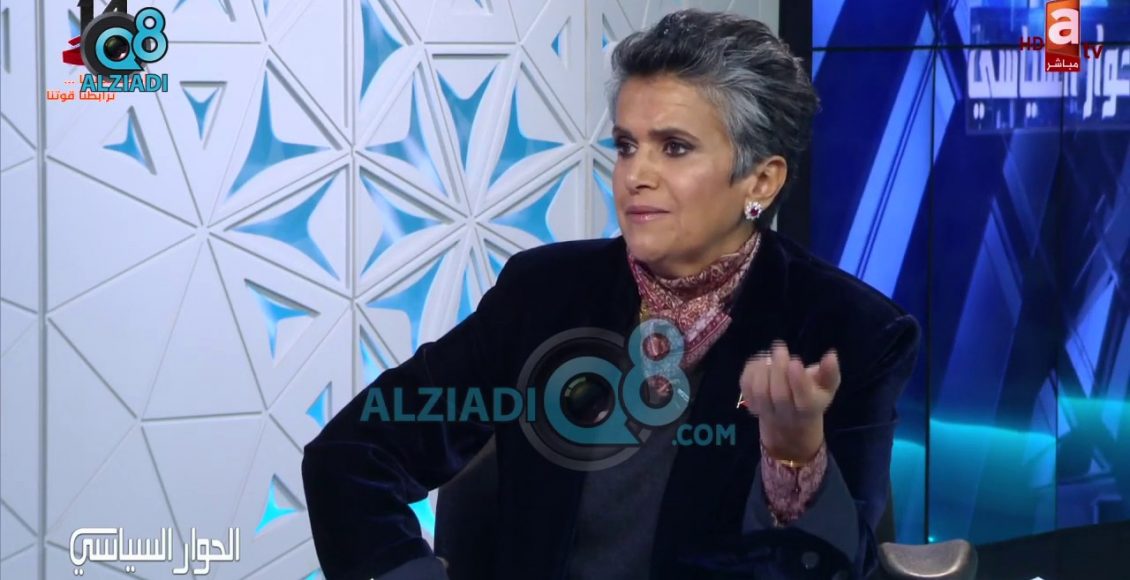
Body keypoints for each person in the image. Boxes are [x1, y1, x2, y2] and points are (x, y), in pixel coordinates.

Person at [303, 9, 920, 580]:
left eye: (674, 148)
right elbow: (353, 454)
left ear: (761, 180)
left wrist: (796, 461)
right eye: (627, 145)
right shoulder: (544, 296)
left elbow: (841, 568)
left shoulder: (848, 330)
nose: (635, 175)